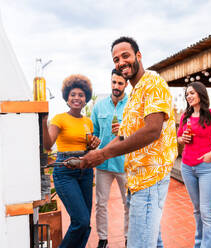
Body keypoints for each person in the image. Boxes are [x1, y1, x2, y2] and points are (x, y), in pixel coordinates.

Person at [80, 36, 178, 248]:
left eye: (125, 55)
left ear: (138, 56)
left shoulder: (153, 82)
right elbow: (123, 135)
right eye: (116, 59)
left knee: (140, 244)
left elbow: (153, 130)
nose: (121, 62)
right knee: (152, 242)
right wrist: (97, 154)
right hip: (136, 179)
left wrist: (103, 154)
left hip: (150, 178)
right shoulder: (135, 93)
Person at [42, 74, 101, 248]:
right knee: (81, 221)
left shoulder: (88, 122)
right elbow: (48, 145)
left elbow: (88, 148)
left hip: (85, 170)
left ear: (86, 99)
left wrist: (93, 145)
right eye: (73, 94)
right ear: (67, 97)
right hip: (66, 172)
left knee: (85, 224)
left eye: (81, 95)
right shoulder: (59, 118)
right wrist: (44, 121)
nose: (77, 98)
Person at [177, 82, 211, 248]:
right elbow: (179, 138)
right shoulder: (185, 117)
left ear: (200, 94)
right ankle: (199, 244)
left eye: (192, 93)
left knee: (206, 211)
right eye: (187, 94)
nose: (189, 96)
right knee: (197, 210)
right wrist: (182, 139)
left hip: (207, 168)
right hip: (187, 167)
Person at [91, 69, 129, 248]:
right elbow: (95, 132)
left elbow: (138, 133)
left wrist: (124, 130)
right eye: (114, 82)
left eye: (120, 83)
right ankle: (103, 239)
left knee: (128, 203)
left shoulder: (132, 104)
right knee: (100, 204)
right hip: (103, 164)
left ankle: (129, 238)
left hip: (124, 163)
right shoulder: (99, 105)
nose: (116, 86)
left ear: (126, 84)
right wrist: (92, 142)